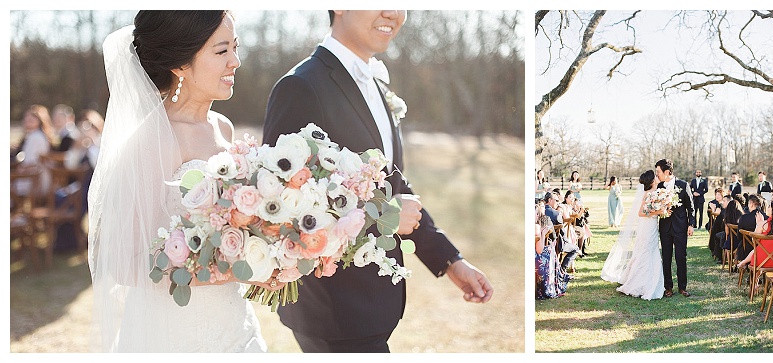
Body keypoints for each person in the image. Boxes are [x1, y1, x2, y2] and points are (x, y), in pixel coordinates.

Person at [262, 10, 493, 353]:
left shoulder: (375, 84)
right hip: (332, 312)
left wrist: (450, 261)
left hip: (370, 310)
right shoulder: (301, 86)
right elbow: (279, 204)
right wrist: (381, 216)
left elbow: (393, 186)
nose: (394, 13)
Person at [88, 11, 283, 352]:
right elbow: (125, 264)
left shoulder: (223, 127)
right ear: (179, 64)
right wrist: (234, 270)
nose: (235, 61)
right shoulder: (151, 141)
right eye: (221, 51)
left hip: (233, 321)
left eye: (235, 47)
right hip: (173, 331)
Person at [601, 170, 667, 300]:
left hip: (652, 226)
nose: (657, 177)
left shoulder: (656, 193)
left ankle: (650, 280)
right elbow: (641, 213)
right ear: (652, 181)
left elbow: (651, 211)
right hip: (647, 226)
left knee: (650, 251)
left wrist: (662, 211)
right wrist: (659, 211)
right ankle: (640, 283)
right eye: (655, 176)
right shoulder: (648, 194)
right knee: (646, 251)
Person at [655, 159, 695, 298]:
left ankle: (682, 287)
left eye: (658, 172)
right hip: (665, 227)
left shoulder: (683, 185)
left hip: (680, 227)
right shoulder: (659, 186)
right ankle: (668, 287)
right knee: (666, 257)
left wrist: (691, 225)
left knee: (680, 257)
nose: (657, 174)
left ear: (667, 172)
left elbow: (691, 207)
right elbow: (655, 205)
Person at [13, 104, 56, 197]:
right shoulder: (32, 135)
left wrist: (20, 170)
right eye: (27, 117)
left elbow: (33, 163)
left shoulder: (36, 137)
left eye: (32, 118)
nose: (28, 119)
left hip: (35, 180)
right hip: (32, 177)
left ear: (40, 120)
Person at [737, 200, 773, 271]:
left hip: (760, 260)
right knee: (759, 250)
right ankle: (743, 262)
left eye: (769, 206)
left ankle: (744, 264)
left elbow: (754, 241)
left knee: (757, 249)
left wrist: (758, 224)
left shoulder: (763, 224)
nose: (767, 208)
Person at [535, 203, 570, 299]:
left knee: (550, 251)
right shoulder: (537, 226)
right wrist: (542, 233)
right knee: (549, 252)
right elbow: (539, 250)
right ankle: (554, 282)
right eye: (536, 214)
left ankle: (558, 278)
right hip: (536, 255)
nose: (538, 215)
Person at [737, 194, 767, 261]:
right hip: (762, 248)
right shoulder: (766, 218)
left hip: (746, 249)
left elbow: (739, 236)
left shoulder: (744, 218)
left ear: (751, 204)